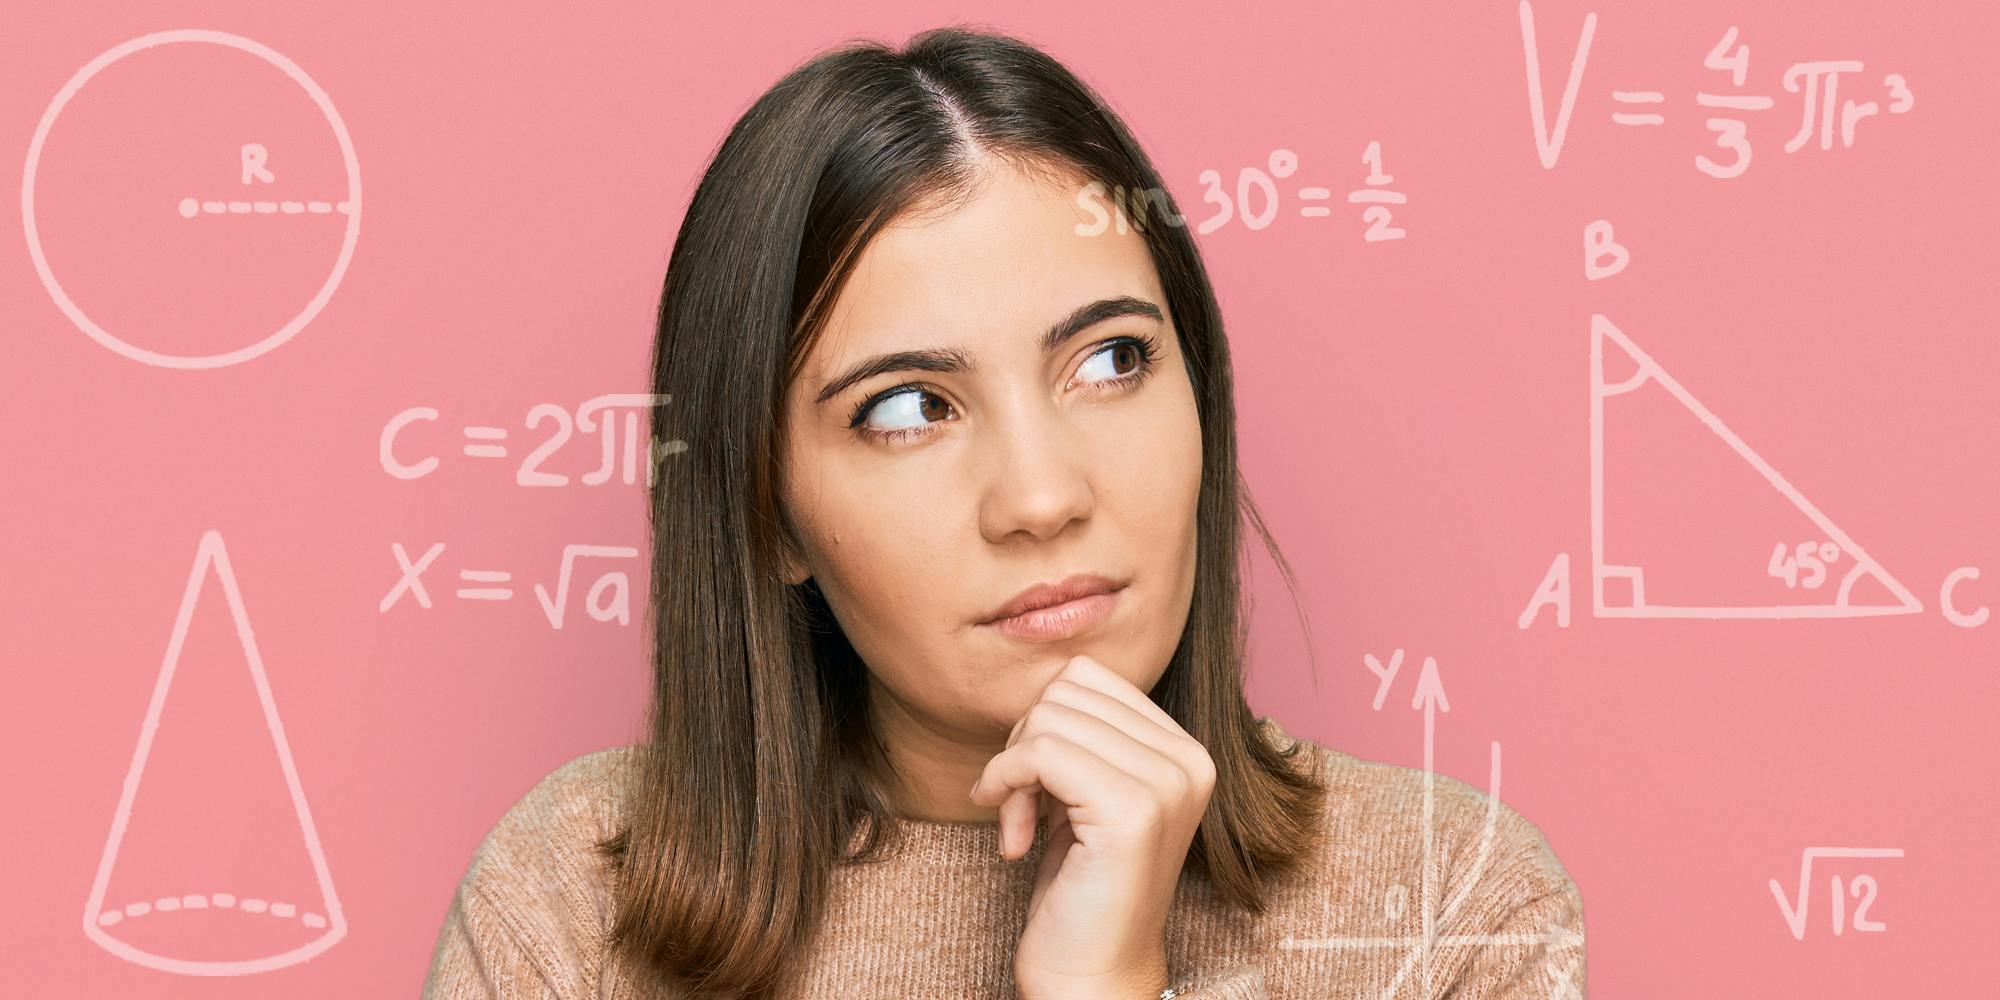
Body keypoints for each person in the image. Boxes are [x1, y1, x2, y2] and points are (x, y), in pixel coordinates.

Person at [422, 24, 1584, 1000]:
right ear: (766, 513)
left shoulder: (1446, 908)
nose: (1041, 497)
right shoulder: (571, 912)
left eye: (1111, 358)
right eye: (908, 407)